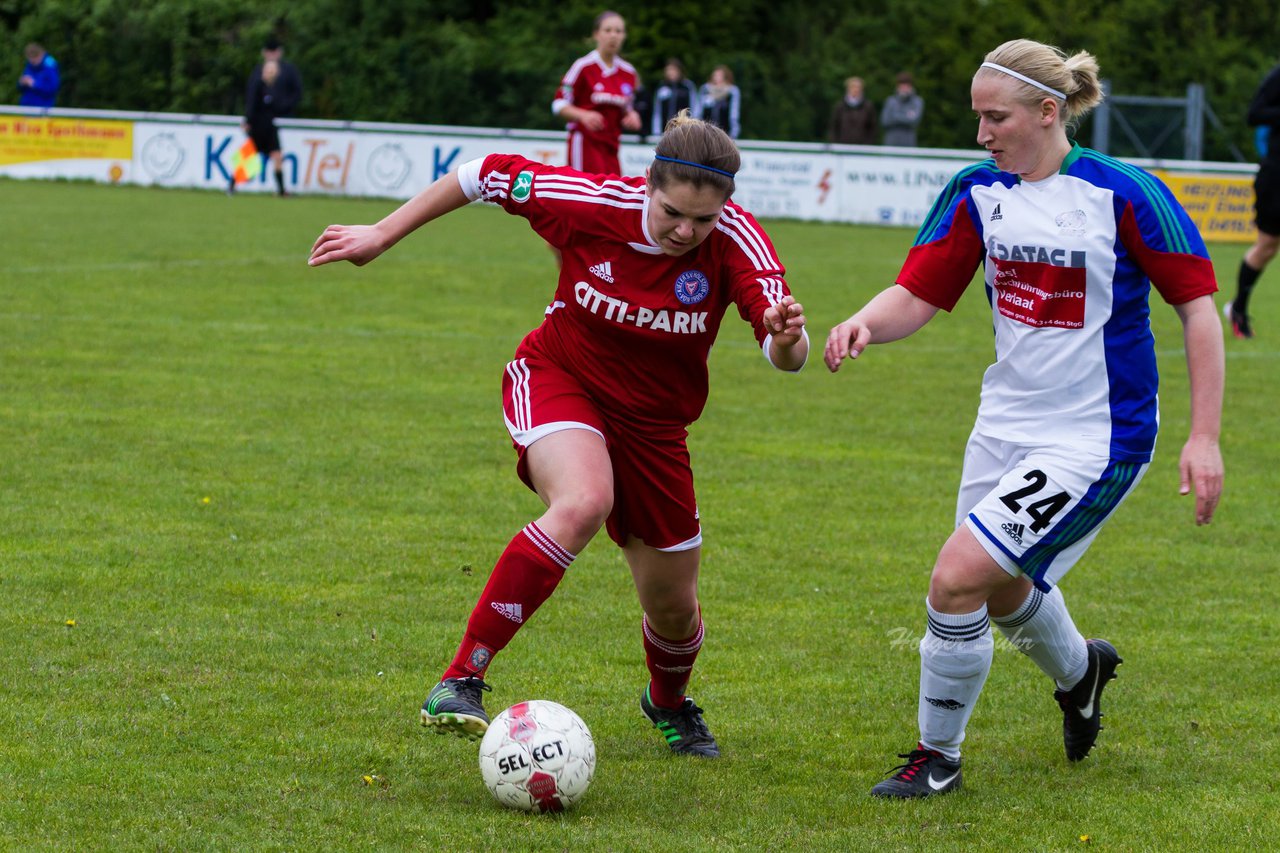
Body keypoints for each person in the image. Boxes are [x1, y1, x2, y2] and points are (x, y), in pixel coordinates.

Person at [309, 113, 809, 758]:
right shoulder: (589, 204)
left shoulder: (737, 242)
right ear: (648, 182)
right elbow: (480, 175)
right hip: (559, 376)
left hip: (656, 427)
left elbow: (782, 352)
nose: (687, 231)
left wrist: (786, 337)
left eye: (703, 219)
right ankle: (461, 679)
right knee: (581, 501)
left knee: (675, 610)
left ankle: (668, 702)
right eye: (673, 212)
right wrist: (382, 232)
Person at [825, 38, 1223, 799]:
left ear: (1049, 112)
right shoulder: (977, 191)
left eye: (995, 117)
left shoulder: (1127, 192)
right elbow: (918, 293)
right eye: (978, 118)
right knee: (1000, 590)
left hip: (1097, 437)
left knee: (955, 578)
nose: (982, 134)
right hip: (1002, 426)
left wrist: (1203, 436)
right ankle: (1082, 673)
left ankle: (935, 756)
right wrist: (865, 322)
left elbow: (1197, 312)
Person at [1224, 60, 1280, 339]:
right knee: (1267, 245)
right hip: (1276, 175)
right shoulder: (1277, 77)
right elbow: (1255, 114)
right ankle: (1238, 308)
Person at [552, 10, 642, 175]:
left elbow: (626, 107)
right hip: (584, 142)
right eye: (608, 30)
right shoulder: (583, 66)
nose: (613, 36)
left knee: (612, 197)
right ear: (596, 34)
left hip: (611, 145)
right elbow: (558, 104)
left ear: (624, 36)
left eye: (618, 31)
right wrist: (583, 115)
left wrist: (631, 115)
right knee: (583, 196)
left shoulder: (628, 72)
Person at [233, 39, 302, 197]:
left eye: (273, 70)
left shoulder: (277, 83)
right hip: (258, 126)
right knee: (248, 157)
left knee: (277, 156)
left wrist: (284, 108)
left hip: (270, 126)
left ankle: (281, 190)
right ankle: (232, 185)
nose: (271, 72)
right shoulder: (258, 83)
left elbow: (291, 97)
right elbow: (251, 104)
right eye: (269, 69)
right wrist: (248, 121)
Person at [651, 58, 701, 139]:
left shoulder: (688, 86)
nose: (671, 73)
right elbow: (657, 111)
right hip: (665, 132)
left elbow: (695, 108)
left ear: (680, 71)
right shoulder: (662, 86)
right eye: (668, 70)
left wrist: (694, 129)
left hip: (684, 132)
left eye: (673, 70)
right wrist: (656, 131)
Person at [829, 76, 878, 145]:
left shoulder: (868, 107)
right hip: (842, 146)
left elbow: (872, 128)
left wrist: (868, 143)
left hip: (862, 147)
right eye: (853, 87)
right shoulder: (840, 107)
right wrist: (835, 143)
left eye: (858, 87)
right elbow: (834, 127)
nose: (856, 89)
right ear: (848, 89)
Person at [880, 71, 923, 147]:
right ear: (898, 86)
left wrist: (895, 116)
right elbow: (885, 121)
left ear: (910, 86)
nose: (904, 88)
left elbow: (915, 121)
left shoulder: (917, 101)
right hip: (891, 143)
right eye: (902, 85)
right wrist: (906, 116)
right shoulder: (890, 101)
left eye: (906, 85)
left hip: (909, 143)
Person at [699, 65, 741, 139]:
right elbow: (698, 112)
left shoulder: (731, 92)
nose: (717, 78)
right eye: (715, 75)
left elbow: (734, 114)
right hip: (706, 133)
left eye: (720, 76)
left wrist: (734, 133)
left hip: (725, 133)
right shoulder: (705, 90)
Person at [17, 43, 59, 108]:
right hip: (26, 107)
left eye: (34, 61)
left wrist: (34, 84)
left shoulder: (50, 66)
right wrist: (21, 83)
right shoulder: (30, 64)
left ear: (40, 55)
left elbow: (52, 89)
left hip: (42, 109)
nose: (32, 63)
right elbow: (20, 88)